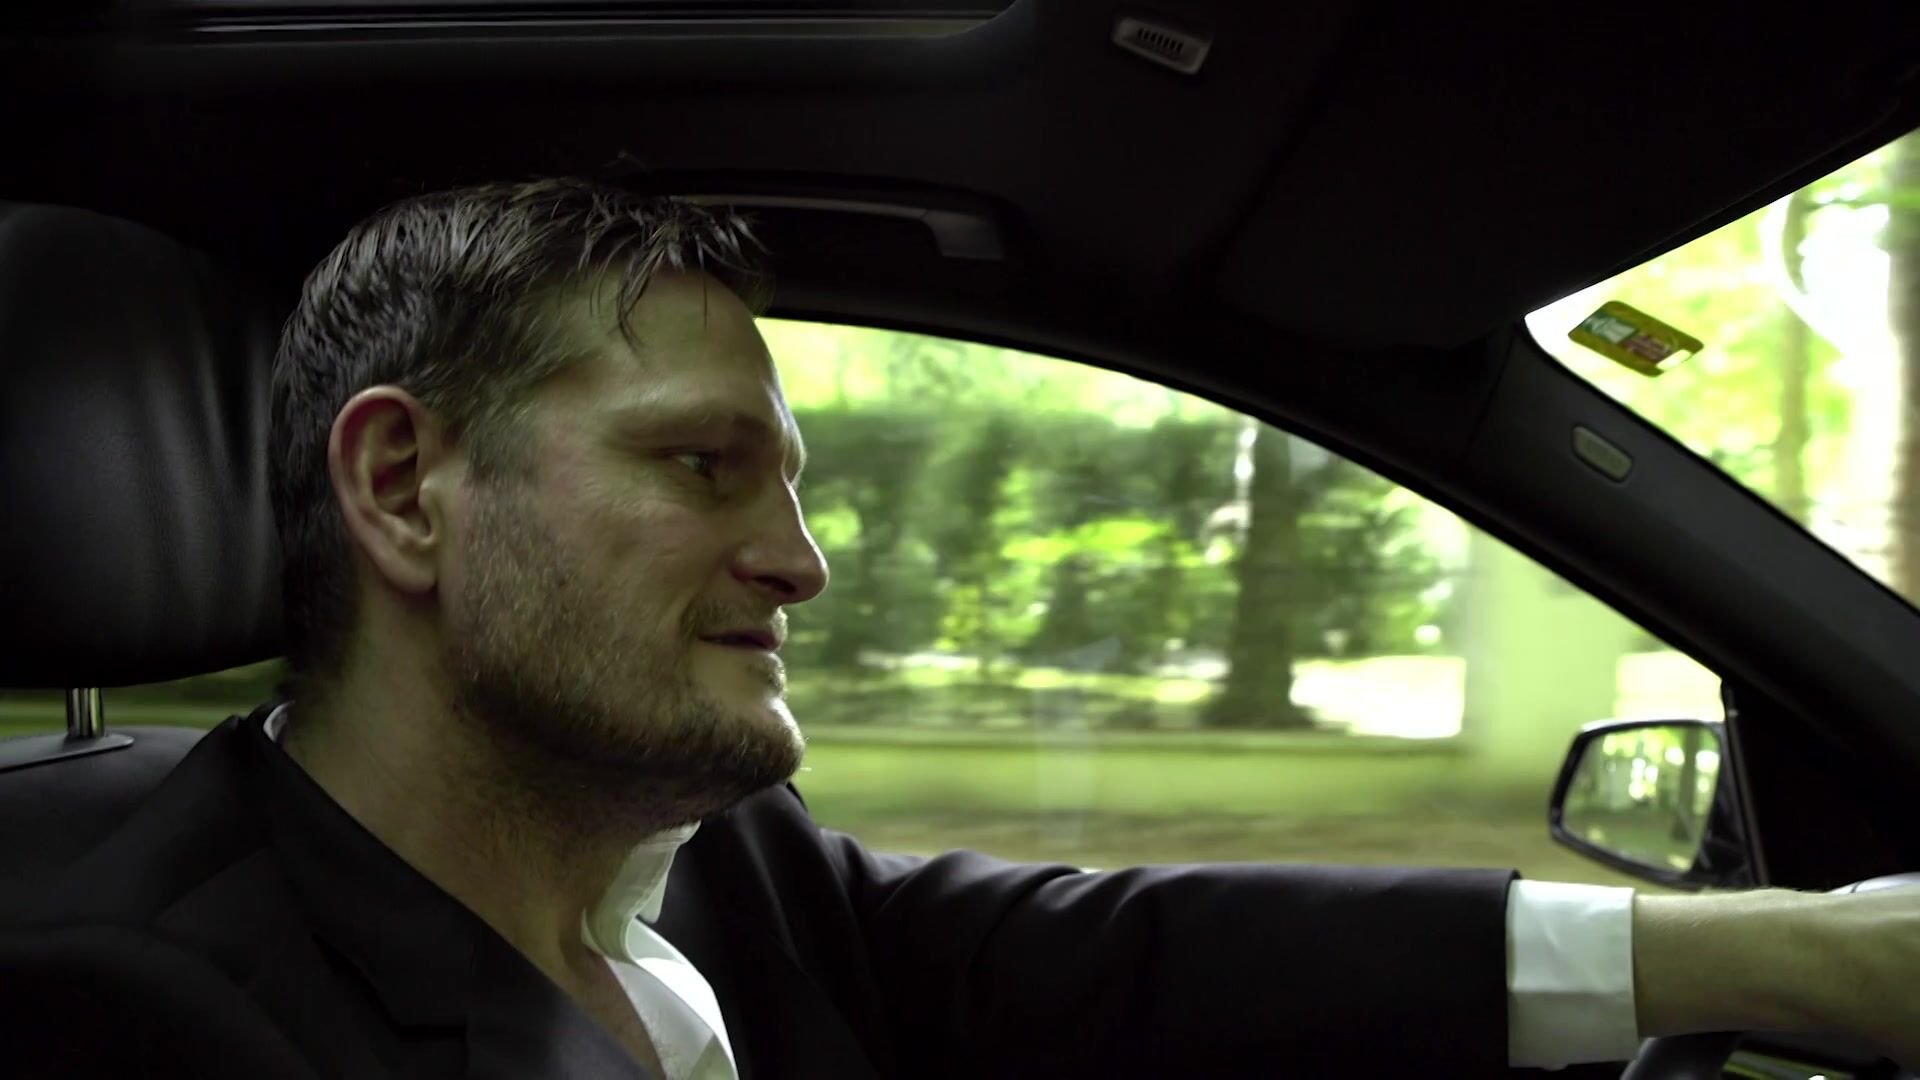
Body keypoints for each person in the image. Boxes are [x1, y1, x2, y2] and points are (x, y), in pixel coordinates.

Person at [13, 179, 1918, 1078]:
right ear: (406, 489)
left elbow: (1127, 963)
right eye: (701, 466)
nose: (801, 564)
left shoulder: (703, 872)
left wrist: (1768, 956)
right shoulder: (145, 1027)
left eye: (791, 484)